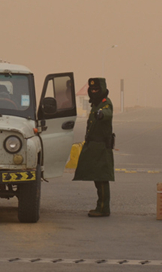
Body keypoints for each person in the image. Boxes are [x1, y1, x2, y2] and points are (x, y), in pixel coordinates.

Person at [73, 78, 114, 217]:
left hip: (102, 147)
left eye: (97, 89)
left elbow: (107, 113)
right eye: (92, 90)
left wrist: (101, 114)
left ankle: (103, 208)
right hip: (95, 146)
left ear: (102, 89)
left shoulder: (105, 104)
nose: (94, 92)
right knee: (97, 178)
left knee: (102, 178)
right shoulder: (95, 105)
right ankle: (101, 206)